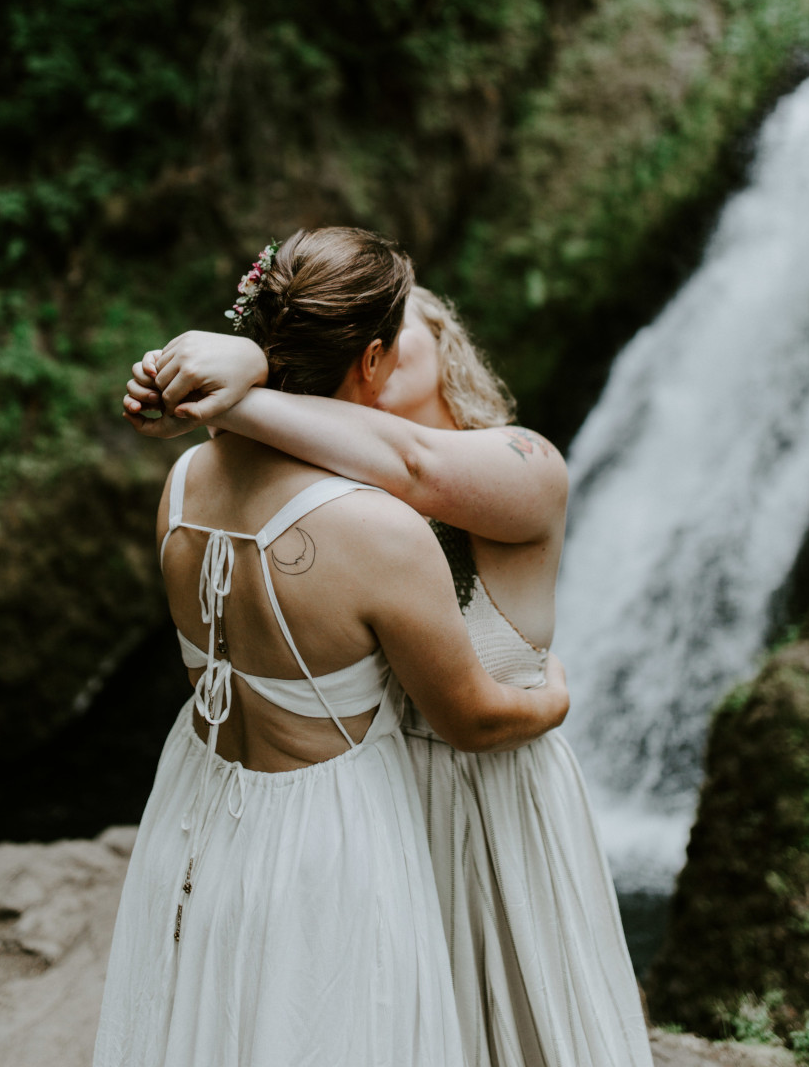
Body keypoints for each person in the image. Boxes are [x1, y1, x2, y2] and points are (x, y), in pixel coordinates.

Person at [125, 275, 654, 1067]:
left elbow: (413, 466)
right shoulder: (319, 496)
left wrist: (224, 393)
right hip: (371, 811)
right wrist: (223, 377)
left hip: (489, 799)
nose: (379, 339)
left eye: (404, 321)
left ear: (447, 348)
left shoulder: (523, 460)